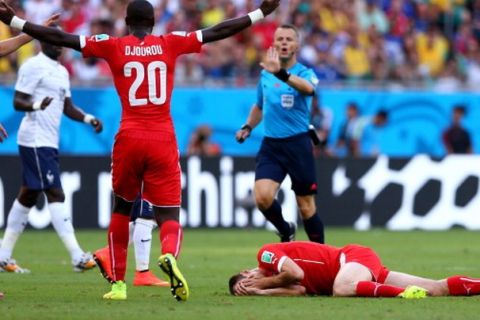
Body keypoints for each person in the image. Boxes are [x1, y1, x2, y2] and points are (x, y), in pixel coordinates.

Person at [0, 0, 280, 300]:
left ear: (126, 21)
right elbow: (219, 31)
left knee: (122, 209)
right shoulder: (170, 43)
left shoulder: (113, 46)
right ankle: (169, 254)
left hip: (129, 136)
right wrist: (260, 13)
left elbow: (61, 38)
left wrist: (15, 22)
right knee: (169, 211)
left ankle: (118, 286)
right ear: (154, 21)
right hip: (162, 137)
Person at [0, 24, 103, 274]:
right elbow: (18, 102)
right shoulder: (33, 66)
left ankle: (3, 256)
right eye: (54, 39)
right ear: (42, 41)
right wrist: (36, 105)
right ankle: (77, 256)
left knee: (28, 195)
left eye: (61, 40)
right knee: (55, 192)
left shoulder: (61, 72)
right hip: (34, 139)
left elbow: (67, 106)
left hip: (49, 139)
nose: (59, 43)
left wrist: (89, 119)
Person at [235, 24, 324, 244]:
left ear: (297, 46)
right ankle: (286, 230)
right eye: (280, 39)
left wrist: (282, 74)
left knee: (305, 206)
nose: (284, 43)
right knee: (262, 197)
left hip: (298, 145)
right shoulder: (266, 74)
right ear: (274, 43)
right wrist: (247, 126)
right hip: (272, 146)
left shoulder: (304, 72)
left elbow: (308, 89)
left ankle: (323, 258)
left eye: (289, 39)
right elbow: (259, 106)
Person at [229, 241, 480, 298]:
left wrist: (260, 284)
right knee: (436, 288)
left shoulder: (265, 254)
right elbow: (299, 290)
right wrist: (260, 293)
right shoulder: (276, 282)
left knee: (341, 289)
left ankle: (402, 295)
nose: (251, 282)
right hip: (356, 271)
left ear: (247, 271)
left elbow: (297, 274)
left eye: (247, 280)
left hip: (351, 259)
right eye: (246, 287)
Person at [94, 195, 169, 287]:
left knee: (140, 216)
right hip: (146, 181)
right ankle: (143, 272)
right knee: (147, 215)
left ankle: (109, 252)